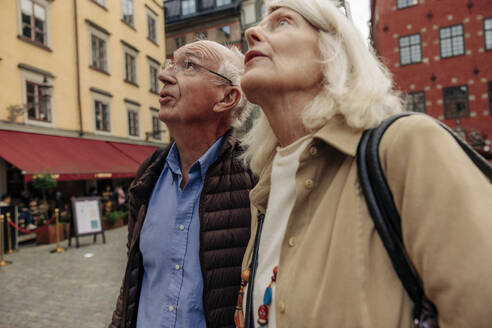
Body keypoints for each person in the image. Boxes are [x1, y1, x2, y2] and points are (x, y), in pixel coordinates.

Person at [235, 0, 492, 327]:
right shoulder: (263, 194)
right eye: (259, 24)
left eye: (282, 22)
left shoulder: (407, 145)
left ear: (332, 51)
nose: (251, 32)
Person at [109, 40, 256, 328]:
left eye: (188, 65)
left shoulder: (256, 179)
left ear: (227, 98)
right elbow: (134, 283)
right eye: (168, 65)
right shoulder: (147, 175)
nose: (163, 76)